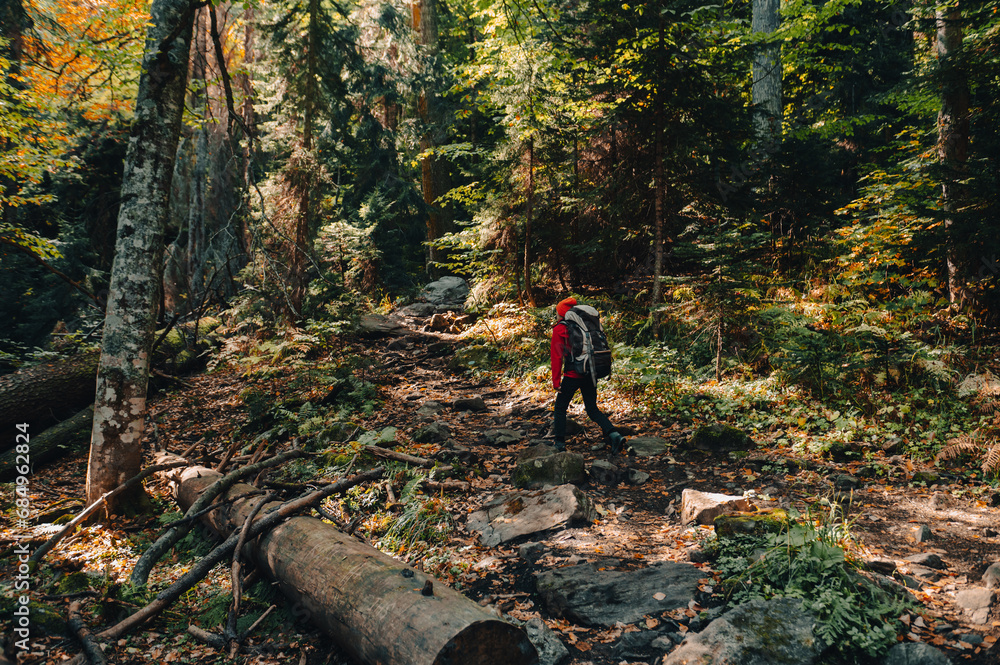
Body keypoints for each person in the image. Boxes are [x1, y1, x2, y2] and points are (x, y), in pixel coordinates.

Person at [550, 297, 626, 454]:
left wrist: (556, 381)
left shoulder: (560, 329)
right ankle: (614, 435)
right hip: (590, 372)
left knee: (560, 408)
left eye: (557, 313)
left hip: (572, 375)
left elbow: (556, 357)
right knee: (591, 409)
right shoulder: (587, 327)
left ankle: (559, 443)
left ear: (561, 314)